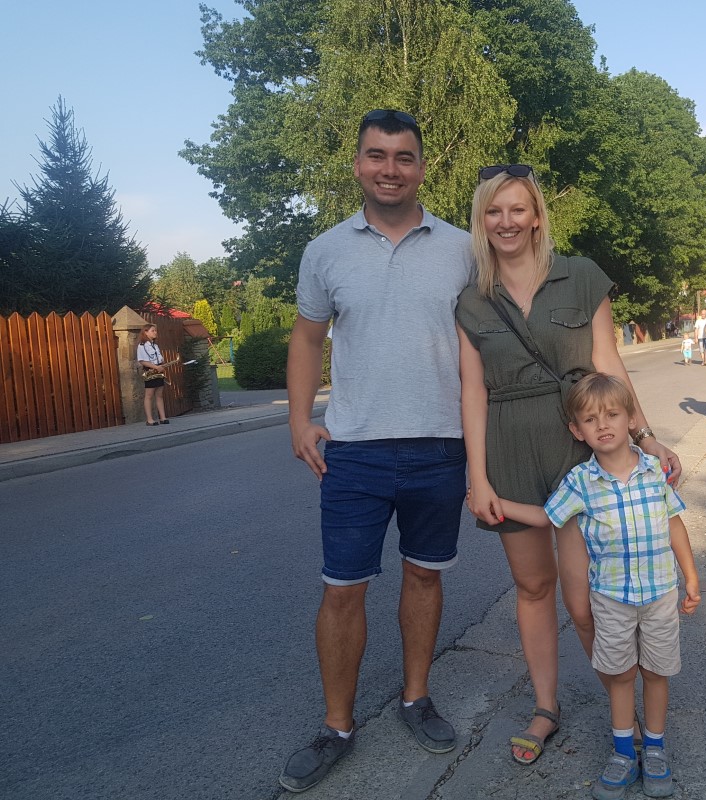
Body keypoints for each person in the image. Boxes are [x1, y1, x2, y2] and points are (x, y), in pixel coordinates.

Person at [455, 164, 681, 766]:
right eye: (494, 211)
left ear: (536, 217)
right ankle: (546, 707)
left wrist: (645, 436)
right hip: (508, 450)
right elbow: (472, 390)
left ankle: (622, 711)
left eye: (517, 209)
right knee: (533, 587)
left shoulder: (580, 276)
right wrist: (478, 476)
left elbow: (607, 360)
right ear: (482, 220)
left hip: (580, 449)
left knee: (585, 602)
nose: (506, 222)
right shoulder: (472, 300)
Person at [282, 109, 475, 793]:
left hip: (440, 445)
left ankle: (415, 698)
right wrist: (299, 421)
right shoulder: (325, 250)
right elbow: (308, 337)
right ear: (358, 163)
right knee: (342, 590)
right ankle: (337, 726)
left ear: (422, 167)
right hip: (355, 450)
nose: (389, 169)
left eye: (403, 157)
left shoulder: (463, 248)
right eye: (376, 155)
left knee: (424, 577)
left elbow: (486, 342)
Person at [495, 373, 701, 800]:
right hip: (611, 599)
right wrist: (497, 504)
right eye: (590, 419)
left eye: (612, 414)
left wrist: (691, 576)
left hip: (660, 594)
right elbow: (546, 516)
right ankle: (624, 752)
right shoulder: (579, 482)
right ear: (577, 431)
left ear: (631, 420)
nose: (603, 424)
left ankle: (655, 748)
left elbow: (674, 524)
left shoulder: (654, 472)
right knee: (620, 675)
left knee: (656, 673)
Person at [135, 324, 169, 426]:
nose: (155, 332)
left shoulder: (155, 345)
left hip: (158, 370)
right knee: (149, 395)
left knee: (159, 395)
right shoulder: (142, 345)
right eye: (152, 331)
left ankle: (163, 417)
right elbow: (142, 361)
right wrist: (155, 367)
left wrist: (161, 365)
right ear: (146, 332)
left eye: (155, 330)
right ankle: (150, 419)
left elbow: (159, 358)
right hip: (150, 371)